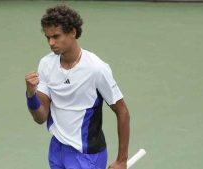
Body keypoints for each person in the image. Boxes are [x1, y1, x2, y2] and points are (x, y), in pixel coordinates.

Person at [25, 5, 130, 169]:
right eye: (48, 38)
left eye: (56, 36)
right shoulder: (46, 64)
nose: (51, 43)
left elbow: (122, 111)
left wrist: (122, 160)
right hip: (57, 149)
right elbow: (40, 117)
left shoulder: (97, 69)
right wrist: (31, 96)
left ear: (73, 32)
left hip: (86, 155)